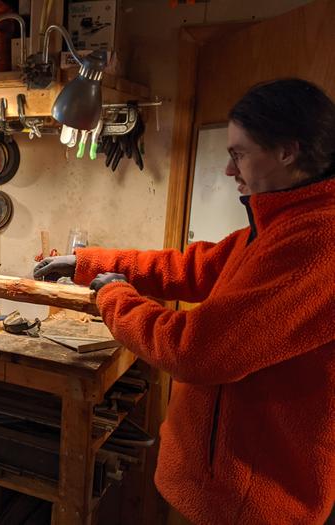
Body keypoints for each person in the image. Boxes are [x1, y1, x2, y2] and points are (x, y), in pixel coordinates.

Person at [34, 78, 335, 524]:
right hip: (223, 483)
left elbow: (196, 350)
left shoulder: (316, 241)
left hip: (250, 501)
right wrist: (89, 262)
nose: (230, 170)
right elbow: (194, 268)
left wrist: (113, 294)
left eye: (239, 154)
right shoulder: (282, 224)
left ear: (288, 153)